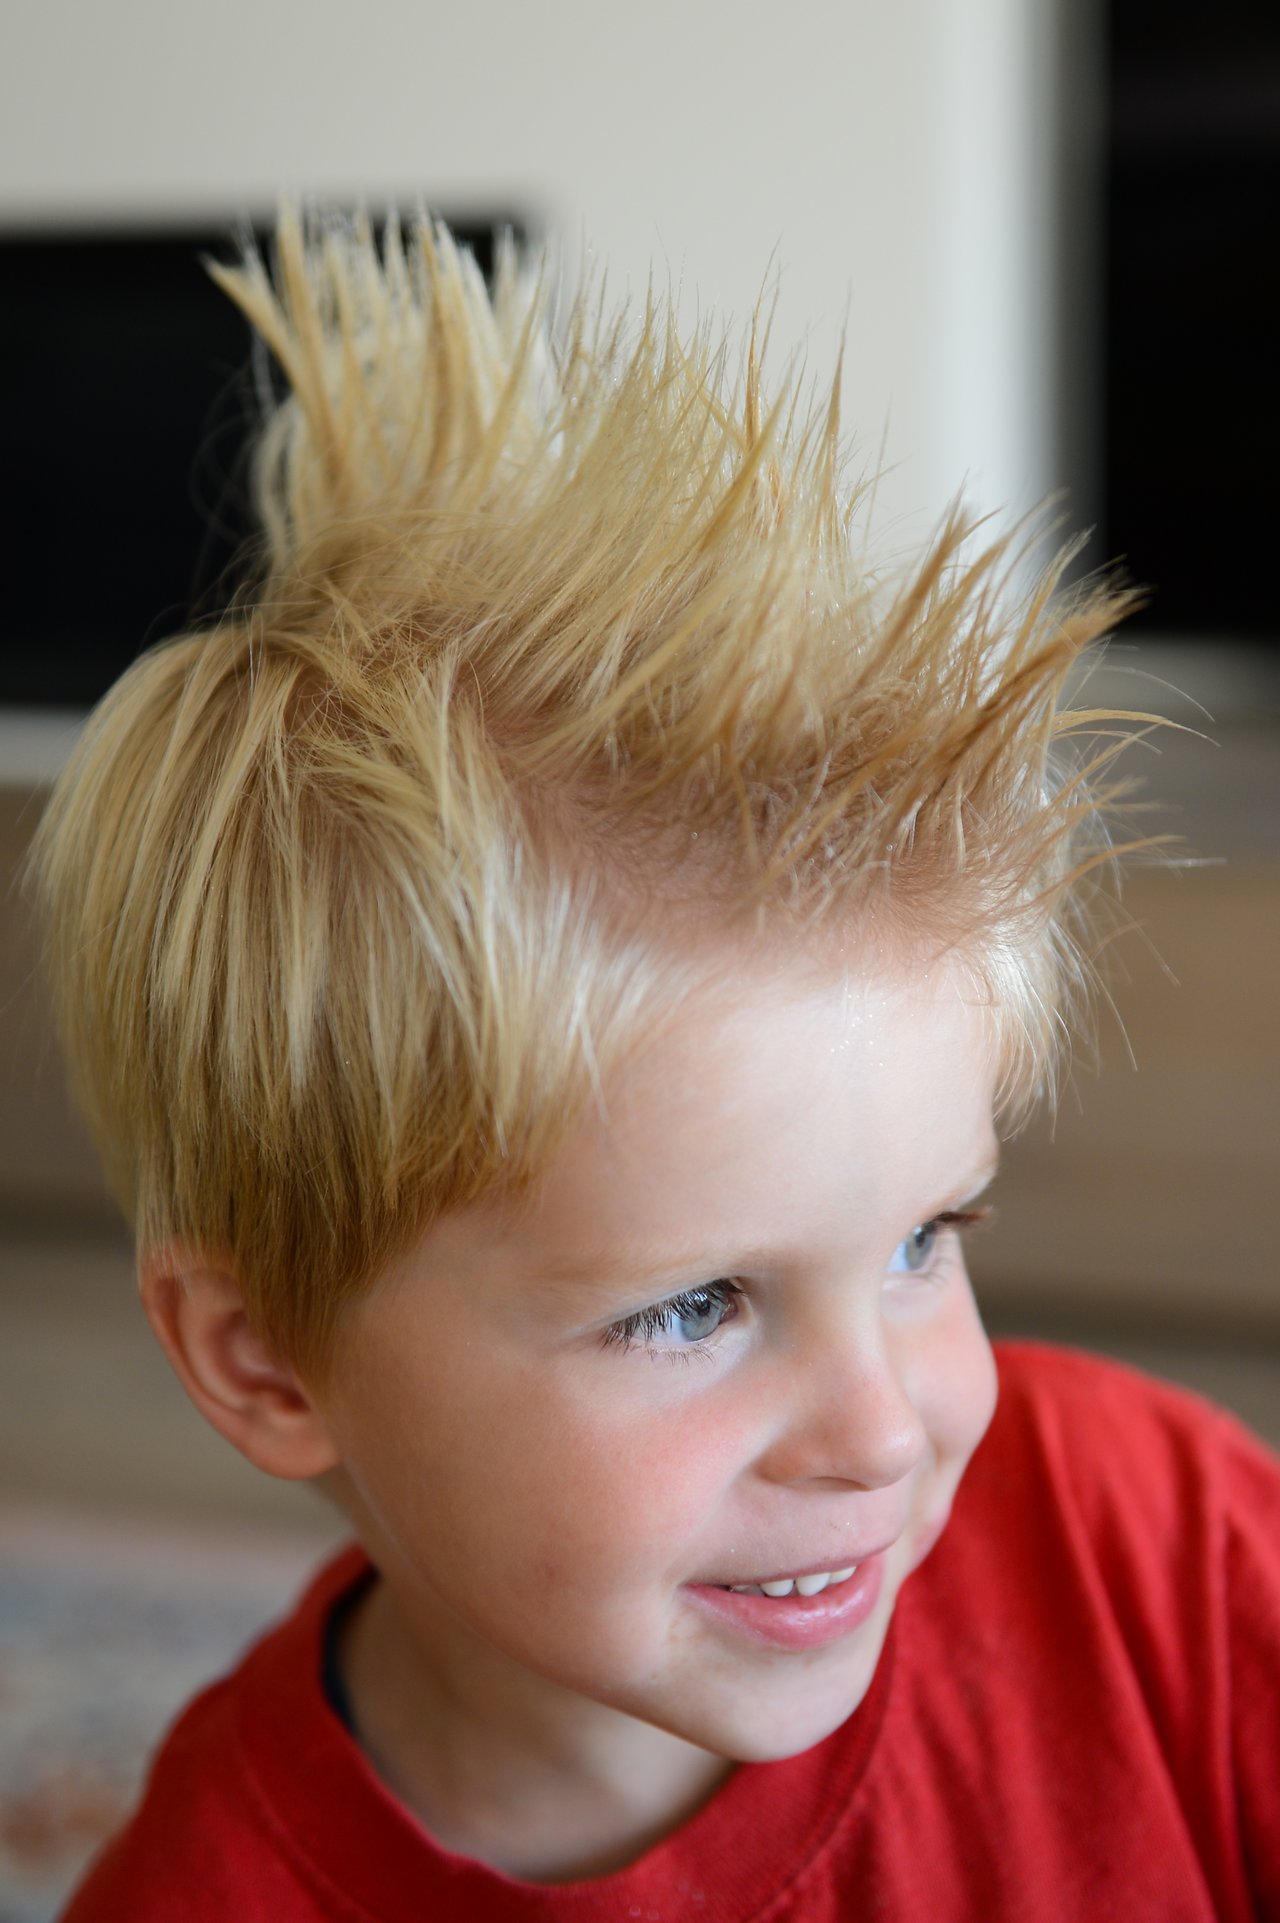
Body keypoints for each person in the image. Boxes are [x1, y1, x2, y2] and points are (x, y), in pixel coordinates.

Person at [34, 207, 1278, 1921]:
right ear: (268, 1360)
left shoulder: (1156, 1544)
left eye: (926, 1241)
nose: (882, 1431)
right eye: (693, 1307)